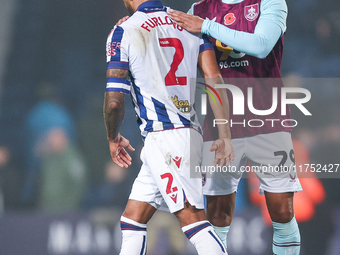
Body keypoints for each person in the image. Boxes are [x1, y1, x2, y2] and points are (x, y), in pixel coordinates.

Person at [169, 0, 302, 254]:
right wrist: (135, 26)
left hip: (268, 118)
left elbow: (260, 46)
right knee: (218, 214)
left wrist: (207, 26)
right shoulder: (199, 9)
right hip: (219, 124)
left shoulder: (270, 2)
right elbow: (167, 36)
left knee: (283, 211)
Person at [104, 0, 234, 254]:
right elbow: (213, 77)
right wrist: (224, 133)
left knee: (193, 220)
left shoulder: (124, 31)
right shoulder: (188, 23)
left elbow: (113, 102)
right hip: (185, 133)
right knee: (132, 220)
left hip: (166, 140)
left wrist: (113, 137)